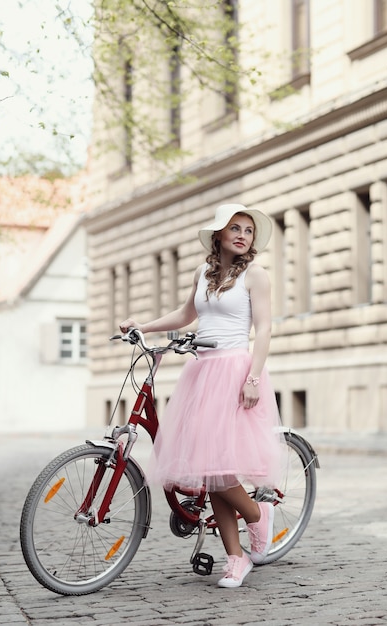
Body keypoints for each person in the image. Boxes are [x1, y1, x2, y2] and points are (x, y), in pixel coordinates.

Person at [120, 203, 283, 588]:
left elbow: (263, 330)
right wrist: (143, 325)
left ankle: (258, 514)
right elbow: (184, 315)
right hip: (201, 371)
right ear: (218, 236)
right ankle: (236, 558)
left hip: (235, 370)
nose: (242, 235)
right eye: (234, 228)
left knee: (221, 470)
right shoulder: (202, 273)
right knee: (210, 473)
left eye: (248, 230)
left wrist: (254, 377)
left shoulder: (255, 276)